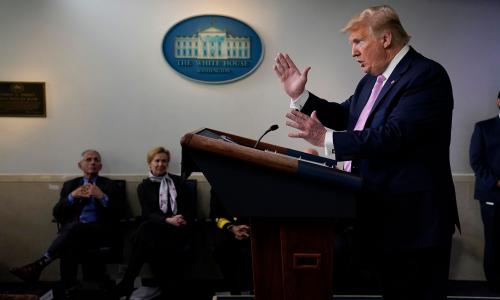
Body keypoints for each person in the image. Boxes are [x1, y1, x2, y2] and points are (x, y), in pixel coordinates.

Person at [273, 5, 459, 299]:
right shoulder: (372, 80)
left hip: (414, 223)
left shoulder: (426, 75)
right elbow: (347, 115)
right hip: (382, 218)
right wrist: (301, 96)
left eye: (358, 42)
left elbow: (396, 136)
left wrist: (327, 138)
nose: (353, 52)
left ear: (385, 39)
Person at [10, 149, 120, 288]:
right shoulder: (70, 185)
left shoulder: (110, 185)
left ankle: (41, 264)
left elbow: (119, 212)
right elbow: (57, 213)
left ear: (100, 167)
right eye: (88, 159)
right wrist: (71, 196)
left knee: (72, 229)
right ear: (80, 165)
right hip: (74, 232)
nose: (93, 162)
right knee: (71, 239)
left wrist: (101, 196)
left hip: (97, 230)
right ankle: (68, 287)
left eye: (96, 160)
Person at [113, 147, 195, 299]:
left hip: (179, 228)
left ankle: (127, 282)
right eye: (157, 161)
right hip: (158, 230)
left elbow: (190, 209)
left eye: (164, 161)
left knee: (145, 232)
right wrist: (167, 220)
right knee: (148, 230)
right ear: (149, 164)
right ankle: (162, 287)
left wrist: (180, 219)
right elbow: (147, 213)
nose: (160, 164)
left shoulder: (179, 182)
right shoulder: (143, 187)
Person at [469, 91, 500, 291]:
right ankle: (494, 287)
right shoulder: (483, 127)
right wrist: (496, 182)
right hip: (492, 195)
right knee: (494, 242)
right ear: (498, 101)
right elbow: (476, 161)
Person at [210, 190, 252, 295]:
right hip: (229, 229)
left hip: (252, 227)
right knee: (221, 247)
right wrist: (231, 228)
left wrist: (249, 228)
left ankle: (257, 289)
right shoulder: (218, 186)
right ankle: (234, 290)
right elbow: (215, 216)